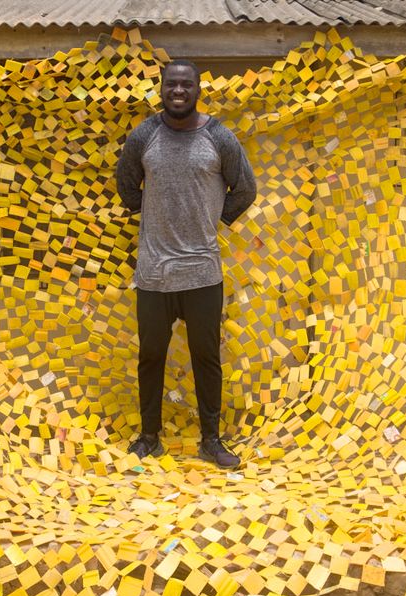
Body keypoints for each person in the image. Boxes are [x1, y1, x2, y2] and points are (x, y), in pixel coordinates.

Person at [115, 59, 257, 468]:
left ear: (198, 89)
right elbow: (126, 184)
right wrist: (155, 213)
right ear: (161, 89)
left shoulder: (218, 136)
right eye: (171, 84)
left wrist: (214, 217)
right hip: (154, 272)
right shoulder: (145, 135)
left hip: (202, 272)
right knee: (151, 356)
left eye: (186, 84)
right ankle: (149, 437)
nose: (178, 91)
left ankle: (211, 440)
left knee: (206, 358)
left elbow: (245, 188)